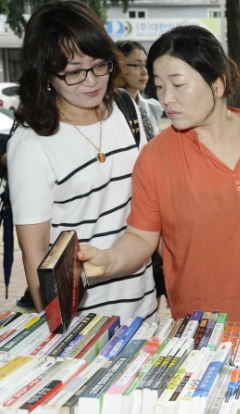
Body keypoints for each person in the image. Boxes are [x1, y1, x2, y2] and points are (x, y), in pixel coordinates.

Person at [79, 25, 240, 323]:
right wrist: (109, 260)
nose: (166, 98)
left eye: (178, 84)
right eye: (160, 86)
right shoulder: (155, 158)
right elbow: (141, 236)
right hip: (203, 324)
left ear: (217, 85)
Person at [8, 1, 157, 321]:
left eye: (99, 65)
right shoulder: (32, 145)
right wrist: (58, 327)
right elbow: (38, 266)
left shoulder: (124, 110)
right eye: (73, 71)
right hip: (82, 321)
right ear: (45, 74)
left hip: (143, 306)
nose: (91, 81)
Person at [115, 41, 164, 141]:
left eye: (145, 65)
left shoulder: (152, 108)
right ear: (120, 67)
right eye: (137, 65)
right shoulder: (108, 109)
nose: (144, 72)